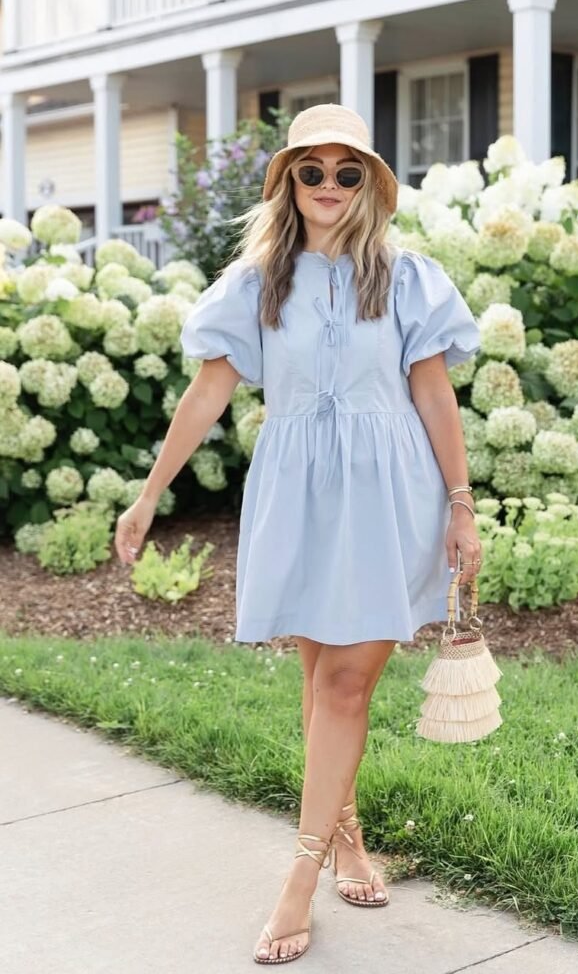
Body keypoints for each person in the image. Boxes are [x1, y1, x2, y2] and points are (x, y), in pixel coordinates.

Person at [114, 102, 482, 965]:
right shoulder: (253, 285)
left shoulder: (404, 277)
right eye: (310, 171)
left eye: (345, 171)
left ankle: (299, 877)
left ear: (369, 185)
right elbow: (207, 395)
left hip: (390, 492)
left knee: (349, 684)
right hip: (298, 489)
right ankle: (346, 829)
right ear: (287, 182)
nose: (327, 185)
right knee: (322, 681)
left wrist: (461, 502)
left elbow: (433, 393)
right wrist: (147, 496)